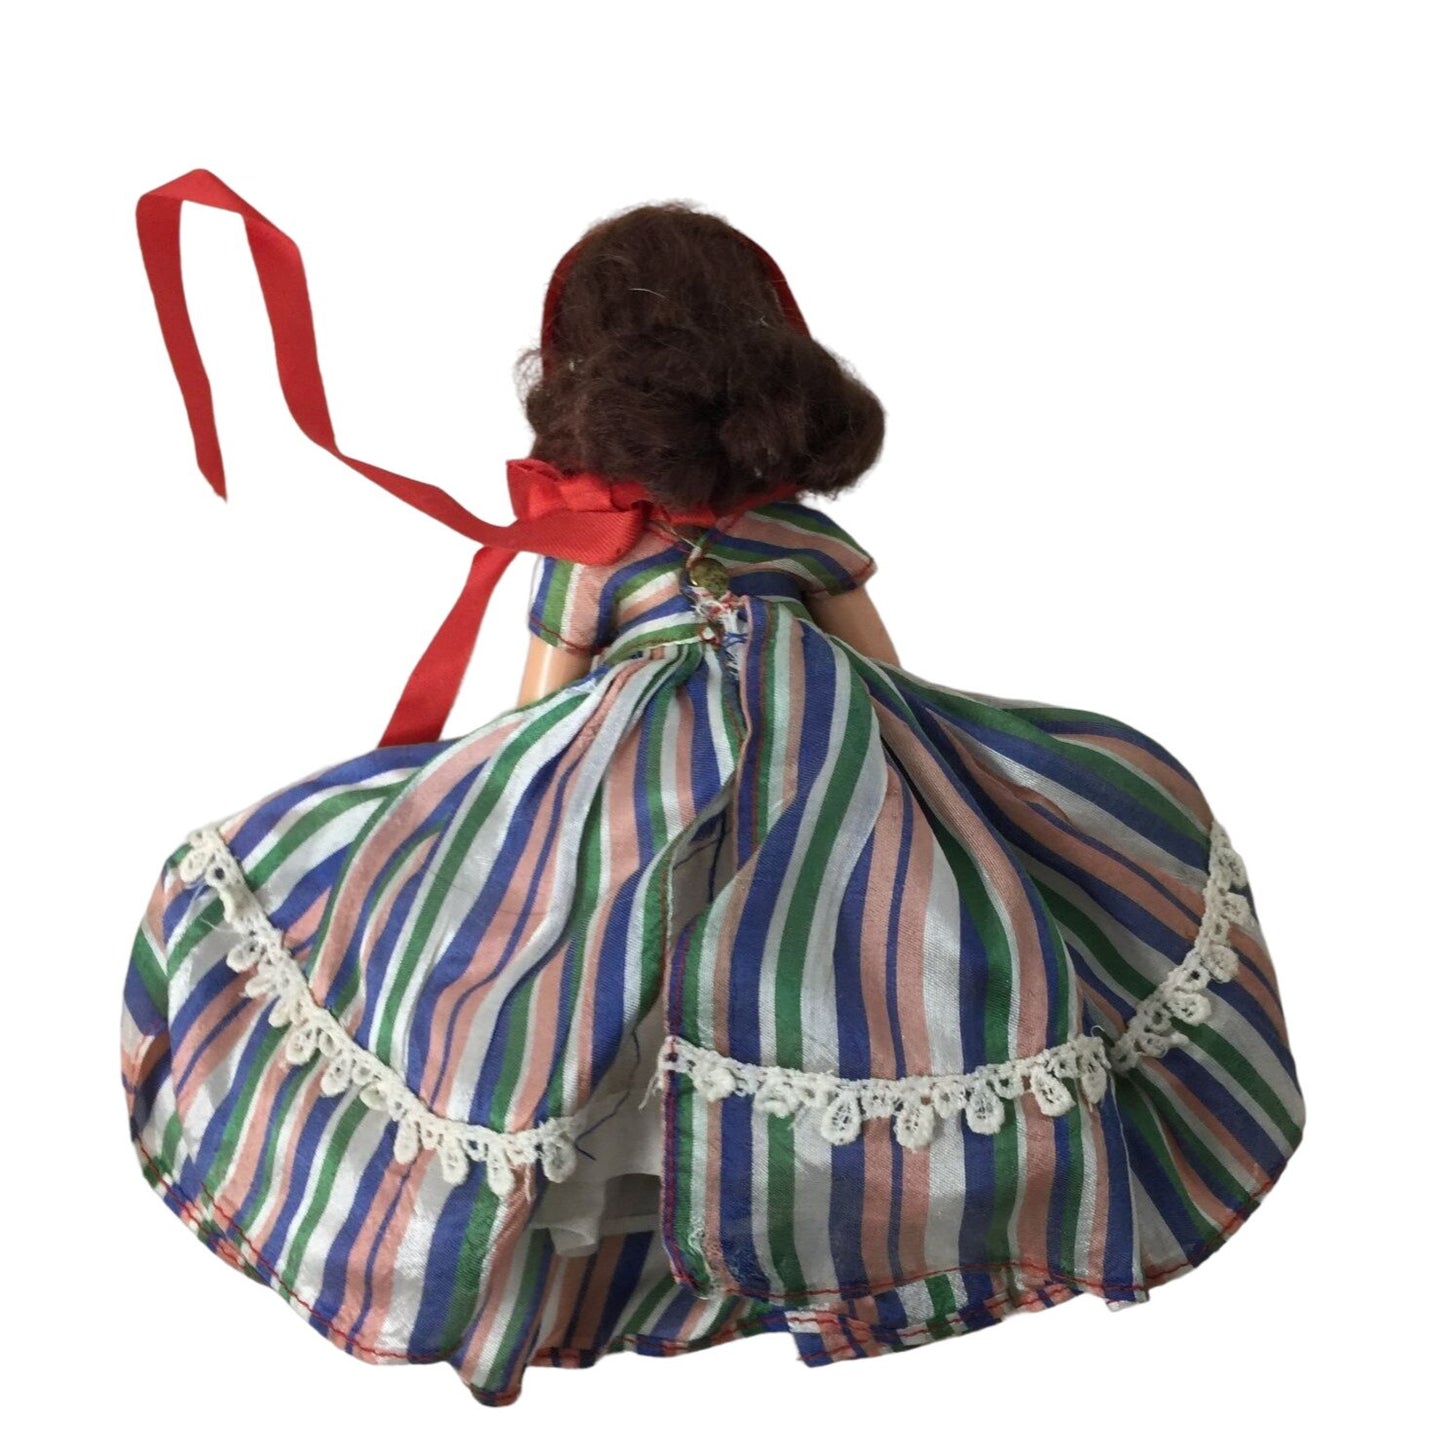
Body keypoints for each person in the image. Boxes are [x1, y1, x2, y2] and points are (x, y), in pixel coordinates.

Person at [122, 173, 1305, 1408]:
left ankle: (796, 1216)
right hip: (816, 773)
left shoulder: (640, 550)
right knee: (809, 972)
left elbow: (541, 712)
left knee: (646, 972)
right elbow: (870, 673)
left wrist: (487, 799)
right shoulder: (662, 546)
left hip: (741, 783)